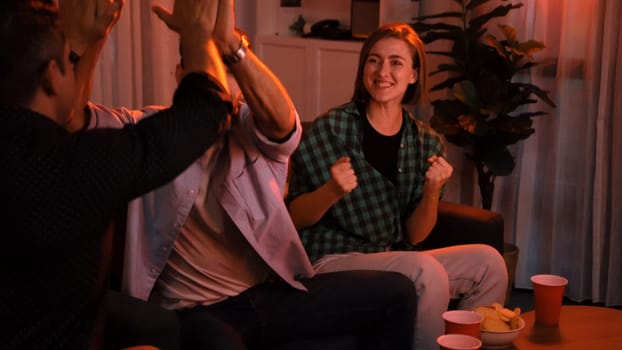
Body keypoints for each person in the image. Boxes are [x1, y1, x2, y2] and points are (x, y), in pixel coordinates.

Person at [67, 1, 419, 349]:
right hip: (197, 311)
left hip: (268, 296)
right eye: (211, 68)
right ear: (181, 75)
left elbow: (285, 125)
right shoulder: (146, 131)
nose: (224, 81)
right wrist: (92, 41)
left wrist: (232, 45)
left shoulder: (252, 127)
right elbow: (72, 119)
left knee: (397, 291)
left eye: (231, 70)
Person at [0, 0, 234, 348]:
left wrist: (81, 41)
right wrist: (197, 33)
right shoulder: (73, 168)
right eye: (68, 63)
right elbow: (206, 111)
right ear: (51, 76)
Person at [286, 23, 509, 350]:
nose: (382, 71)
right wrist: (332, 190)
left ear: (414, 75)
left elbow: (415, 236)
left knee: (489, 264)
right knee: (424, 270)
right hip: (330, 257)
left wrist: (432, 191)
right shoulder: (331, 129)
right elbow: (292, 218)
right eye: (374, 60)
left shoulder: (426, 142)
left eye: (396, 62)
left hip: (392, 255)